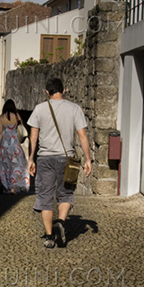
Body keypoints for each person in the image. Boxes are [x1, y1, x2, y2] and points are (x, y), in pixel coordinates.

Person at [27, 77, 92, 248]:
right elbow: (82, 135)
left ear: (47, 92)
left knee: (45, 197)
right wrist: (88, 159)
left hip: (45, 158)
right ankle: (61, 223)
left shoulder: (39, 109)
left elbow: (33, 137)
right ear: (64, 90)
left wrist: (31, 158)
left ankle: (49, 237)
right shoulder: (74, 109)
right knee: (66, 194)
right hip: (66, 159)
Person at [0, 99, 30, 194]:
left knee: (5, 165)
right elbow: (21, 125)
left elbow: (0, 133)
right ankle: (14, 187)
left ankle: (5, 185)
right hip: (15, 144)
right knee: (17, 165)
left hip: (5, 144)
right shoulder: (16, 116)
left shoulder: (0, 118)